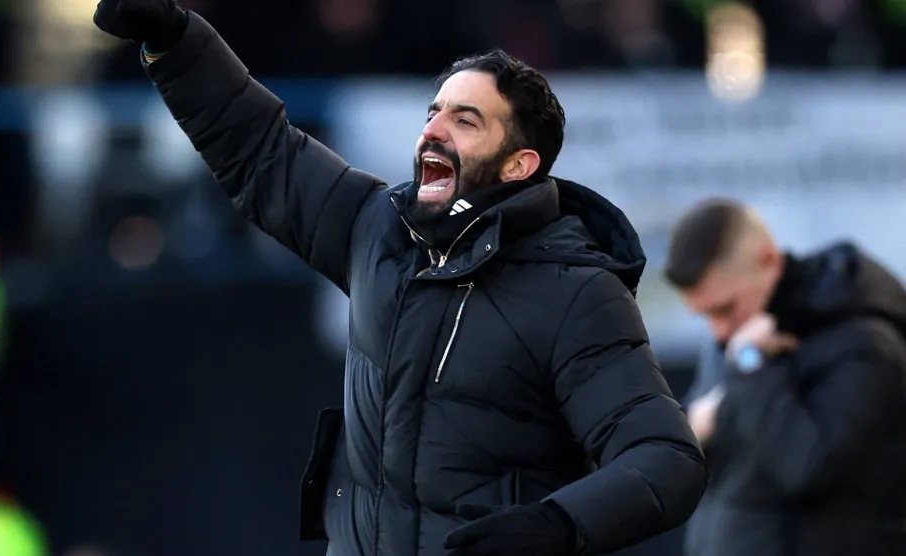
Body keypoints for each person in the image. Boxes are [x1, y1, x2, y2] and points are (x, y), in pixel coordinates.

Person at [92, 2, 708, 555]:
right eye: (434, 111)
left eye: (466, 121)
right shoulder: (378, 229)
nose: (434, 130)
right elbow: (263, 151)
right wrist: (176, 39)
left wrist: (557, 525)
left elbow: (667, 460)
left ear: (519, 165)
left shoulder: (576, 292)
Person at [665, 198, 906, 556]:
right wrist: (693, 426)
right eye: (705, 316)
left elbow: (809, 470)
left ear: (769, 261)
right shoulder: (739, 338)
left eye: (724, 309)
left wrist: (750, 367)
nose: (718, 331)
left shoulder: (864, 342)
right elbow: (700, 464)